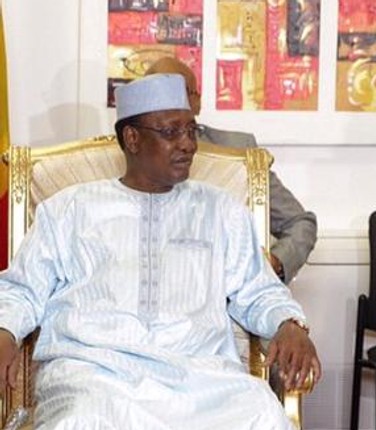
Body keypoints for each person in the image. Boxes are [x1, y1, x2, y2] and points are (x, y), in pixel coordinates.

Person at [0, 74, 320, 429]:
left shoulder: (220, 211)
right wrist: (5, 330)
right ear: (132, 139)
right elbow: (22, 289)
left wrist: (289, 324)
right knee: (83, 420)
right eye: (171, 132)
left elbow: (257, 290)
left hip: (202, 379)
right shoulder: (69, 210)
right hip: (96, 373)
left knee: (263, 412)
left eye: (191, 130)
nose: (187, 144)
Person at [145, 57, 316, 285]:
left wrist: (274, 264)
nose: (167, 100)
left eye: (178, 90)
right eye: (154, 91)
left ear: (196, 100)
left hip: (226, 298)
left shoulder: (237, 152)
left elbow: (300, 223)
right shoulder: (120, 153)